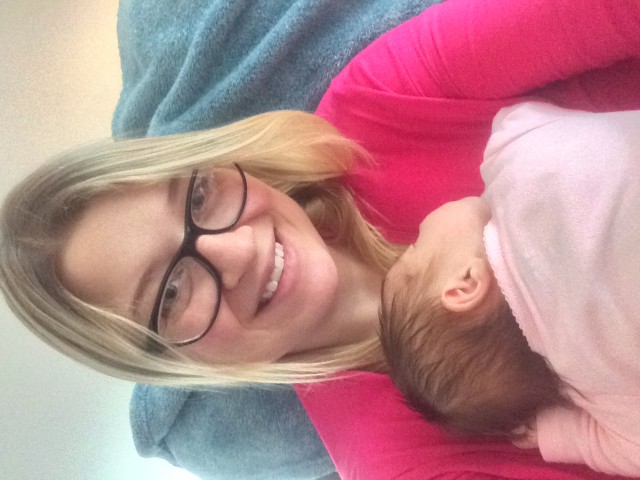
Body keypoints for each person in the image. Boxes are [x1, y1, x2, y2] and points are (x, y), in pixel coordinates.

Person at [1, 0, 640, 479]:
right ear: (173, 364)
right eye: (171, 293)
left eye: (198, 198)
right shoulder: (403, 462)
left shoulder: (385, 97)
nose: (237, 249)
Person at [379, 102, 640, 477]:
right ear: (465, 285)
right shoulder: (514, 161)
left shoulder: (598, 382)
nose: (415, 233)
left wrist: (555, 431)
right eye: (415, 248)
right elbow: (518, 119)